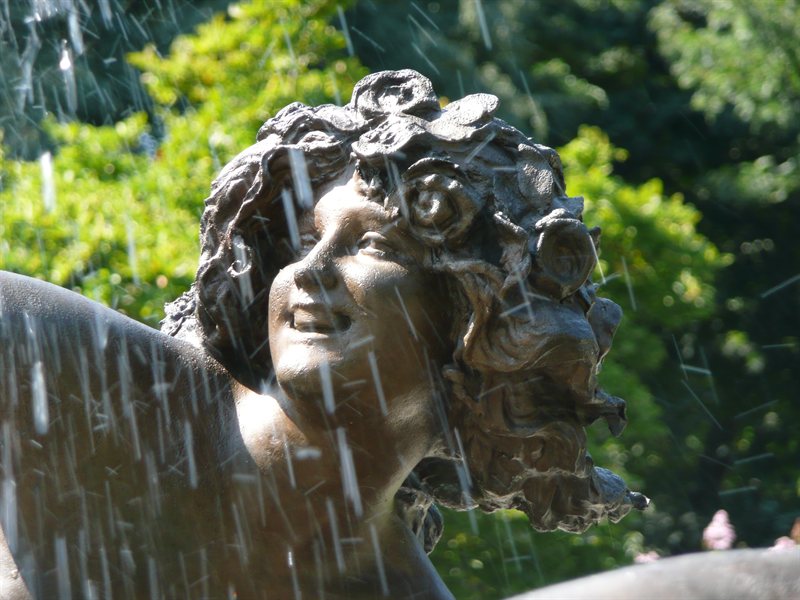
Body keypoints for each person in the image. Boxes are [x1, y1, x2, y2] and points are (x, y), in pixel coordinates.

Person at [0, 70, 645, 599]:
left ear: (472, 327)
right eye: (307, 241)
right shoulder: (78, 375)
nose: (309, 271)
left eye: (370, 246)